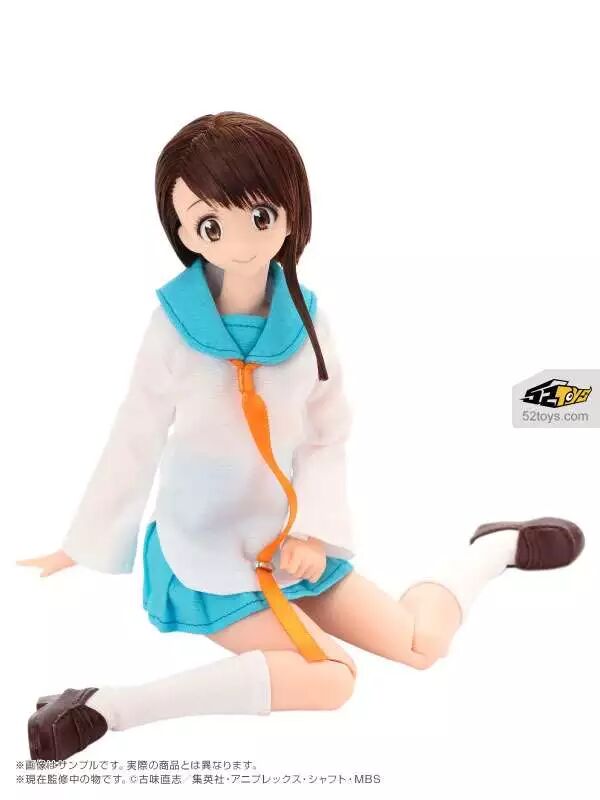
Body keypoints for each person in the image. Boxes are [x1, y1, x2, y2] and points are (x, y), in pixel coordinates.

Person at [18, 112, 584, 761]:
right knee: (331, 677)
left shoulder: (307, 322)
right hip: (207, 557)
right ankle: (107, 707)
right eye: (211, 224)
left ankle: (494, 547)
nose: (239, 242)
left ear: (291, 216)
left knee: (420, 646)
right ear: (182, 230)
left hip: (291, 543)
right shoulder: (173, 327)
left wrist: (314, 533)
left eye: (260, 216)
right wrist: (85, 541)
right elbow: (136, 432)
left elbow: (326, 435)